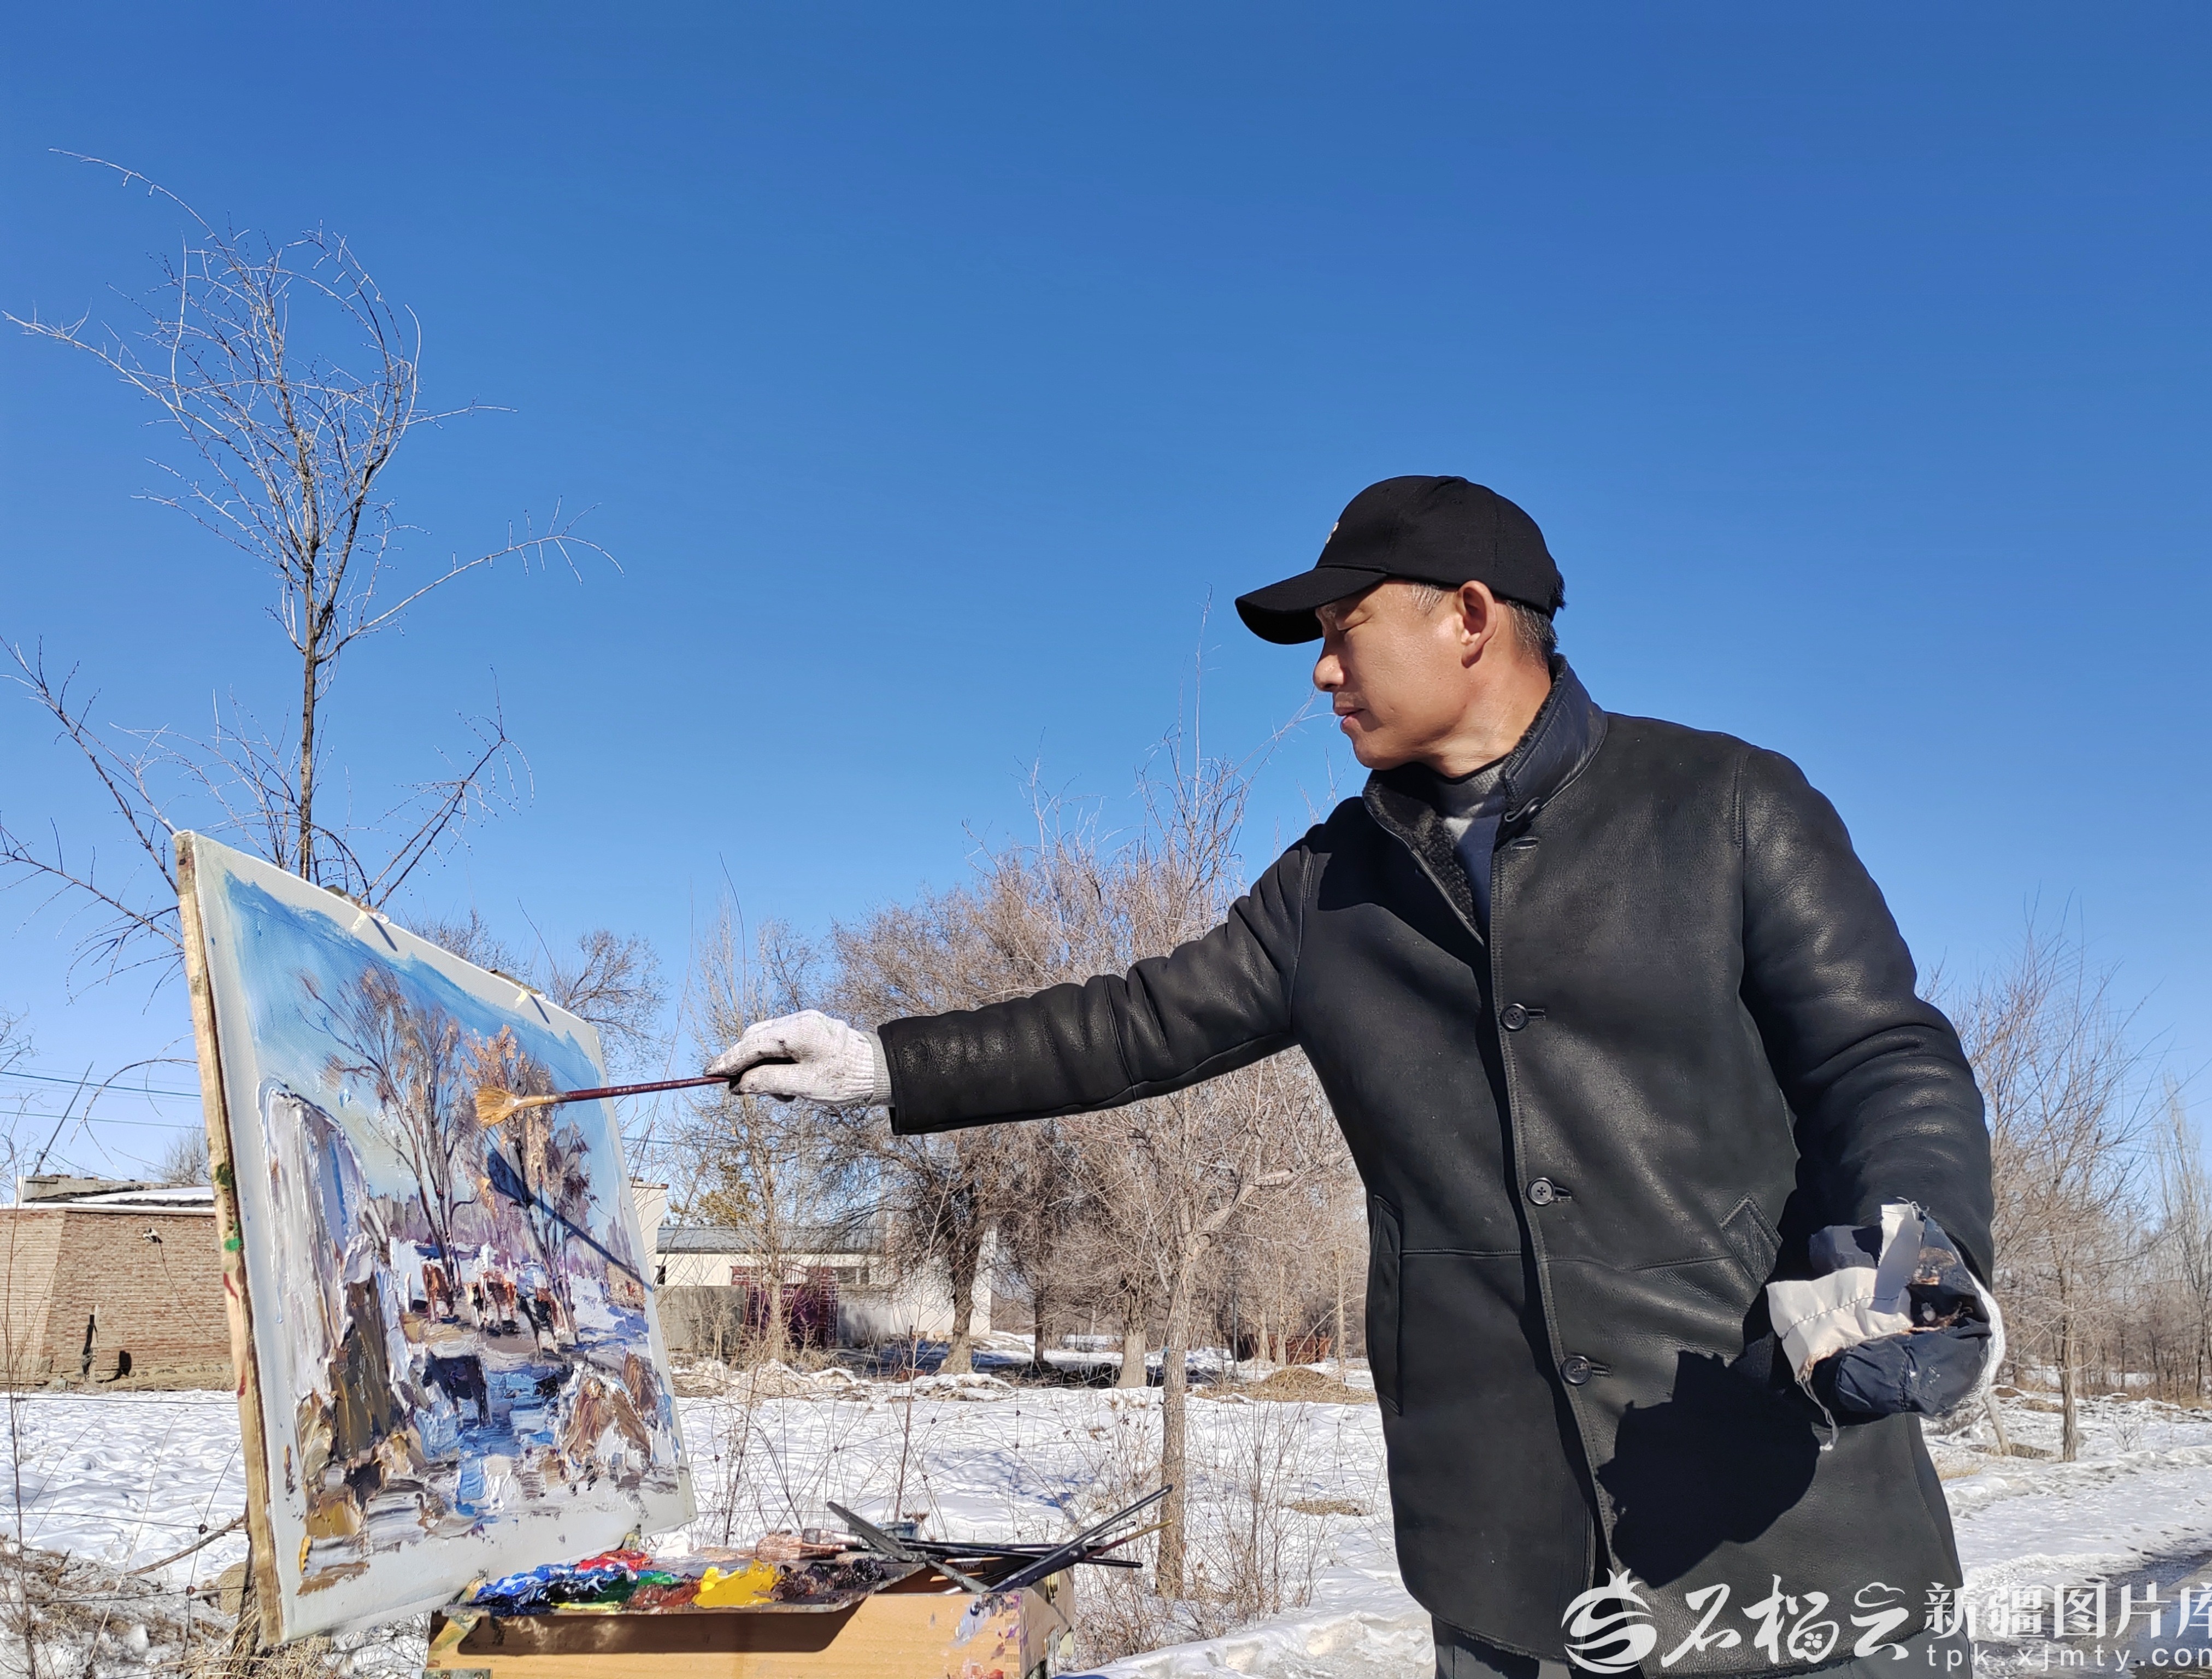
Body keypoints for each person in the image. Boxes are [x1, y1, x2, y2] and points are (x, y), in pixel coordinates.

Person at [710, 475, 1998, 1678]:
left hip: (1782, 1527)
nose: (1322, 671)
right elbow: (1135, 1023)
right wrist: (886, 1062)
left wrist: (1915, 1261)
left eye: (1344, 629)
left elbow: (1879, 1056)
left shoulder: (1725, 805)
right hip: (1508, 1569)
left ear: (1468, 618)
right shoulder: (1331, 884)